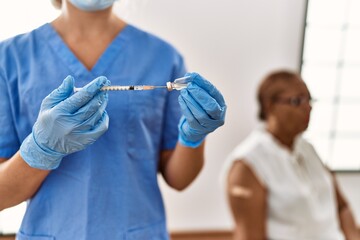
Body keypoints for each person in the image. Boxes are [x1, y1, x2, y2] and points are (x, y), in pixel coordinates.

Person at [0, 0, 226, 239]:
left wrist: (194, 135)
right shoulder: (10, 59)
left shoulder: (162, 57)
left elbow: (179, 179)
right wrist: (41, 149)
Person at [223, 70, 360, 240]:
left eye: (309, 100)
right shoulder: (248, 163)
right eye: (297, 101)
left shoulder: (308, 149)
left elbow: (342, 207)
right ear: (269, 106)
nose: (308, 107)